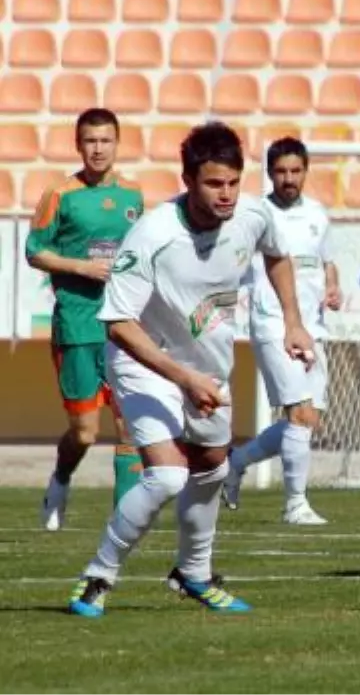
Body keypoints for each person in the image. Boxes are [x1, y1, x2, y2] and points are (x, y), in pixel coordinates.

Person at [67, 122, 314, 618]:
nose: (225, 194)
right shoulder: (155, 234)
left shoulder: (253, 214)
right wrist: (183, 378)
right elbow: (117, 323)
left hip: (207, 367)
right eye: (212, 184)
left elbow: (277, 256)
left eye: (232, 183)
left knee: (212, 468)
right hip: (146, 363)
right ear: (187, 179)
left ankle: (193, 574)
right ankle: (98, 575)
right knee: (166, 477)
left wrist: (293, 321)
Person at [26, 108, 145, 531]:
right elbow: (35, 251)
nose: (98, 149)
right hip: (77, 324)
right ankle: (60, 480)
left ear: (117, 143)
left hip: (124, 327)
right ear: (79, 145)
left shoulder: (134, 197)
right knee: (84, 433)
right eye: (90, 141)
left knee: (130, 427)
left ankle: (125, 524)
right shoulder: (60, 195)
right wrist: (81, 268)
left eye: (105, 140)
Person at [223, 138, 341, 525]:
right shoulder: (255, 214)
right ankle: (295, 504)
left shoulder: (317, 214)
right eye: (280, 172)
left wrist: (333, 286)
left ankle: (236, 461)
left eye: (295, 171)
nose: (288, 179)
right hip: (272, 323)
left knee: (307, 420)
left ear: (306, 171)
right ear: (270, 173)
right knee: (299, 413)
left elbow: (327, 261)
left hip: (311, 327)